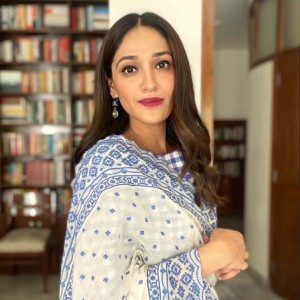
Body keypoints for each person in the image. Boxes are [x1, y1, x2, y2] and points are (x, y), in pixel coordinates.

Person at [59, 12, 248, 299]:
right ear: (112, 85)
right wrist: (212, 256)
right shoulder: (105, 164)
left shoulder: (188, 157)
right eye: (130, 69)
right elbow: (98, 292)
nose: (149, 83)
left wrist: (223, 245)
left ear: (178, 73)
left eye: (162, 64)